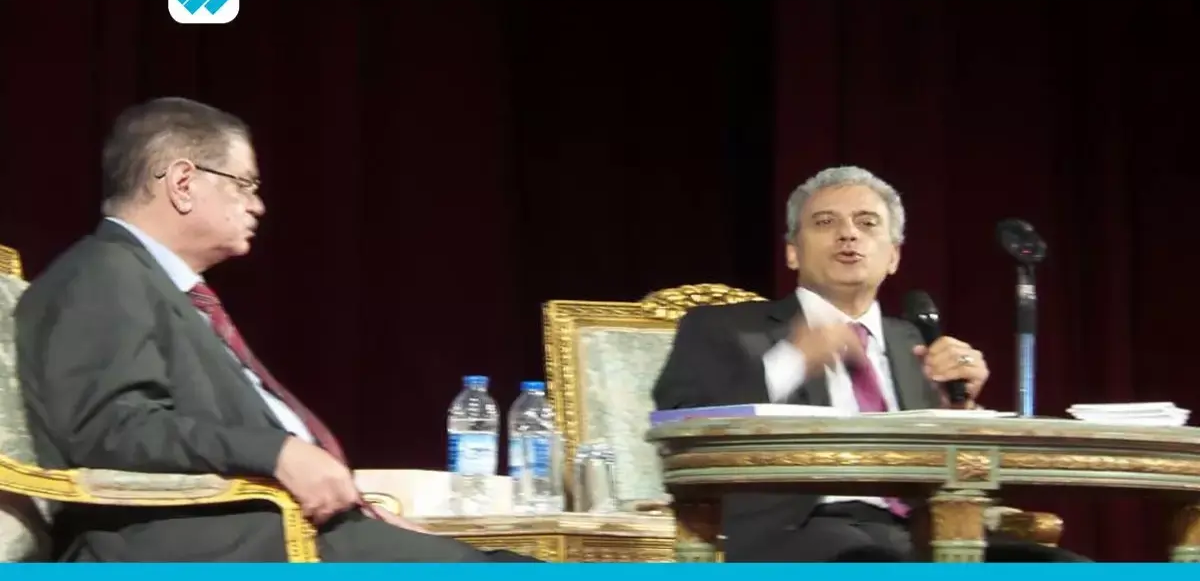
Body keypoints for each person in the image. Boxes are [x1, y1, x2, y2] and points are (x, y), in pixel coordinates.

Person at [14, 97, 538, 563]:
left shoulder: (167, 290)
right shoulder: (101, 272)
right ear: (182, 183)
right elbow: (113, 428)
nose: (257, 204)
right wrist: (277, 452)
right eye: (244, 184)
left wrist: (358, 515)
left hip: (282, 530)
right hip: (195, 546)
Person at [652, 165, 1088, 563]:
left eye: (867, 223)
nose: (848, 234)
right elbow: (680, 423)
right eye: (825, 222)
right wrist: (792, 362)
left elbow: (966, 474)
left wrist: (962, 412)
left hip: (923, 532)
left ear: (893, 256)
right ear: (792, 252)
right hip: (795, 532)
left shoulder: (917, 343)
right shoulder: (721, 328)